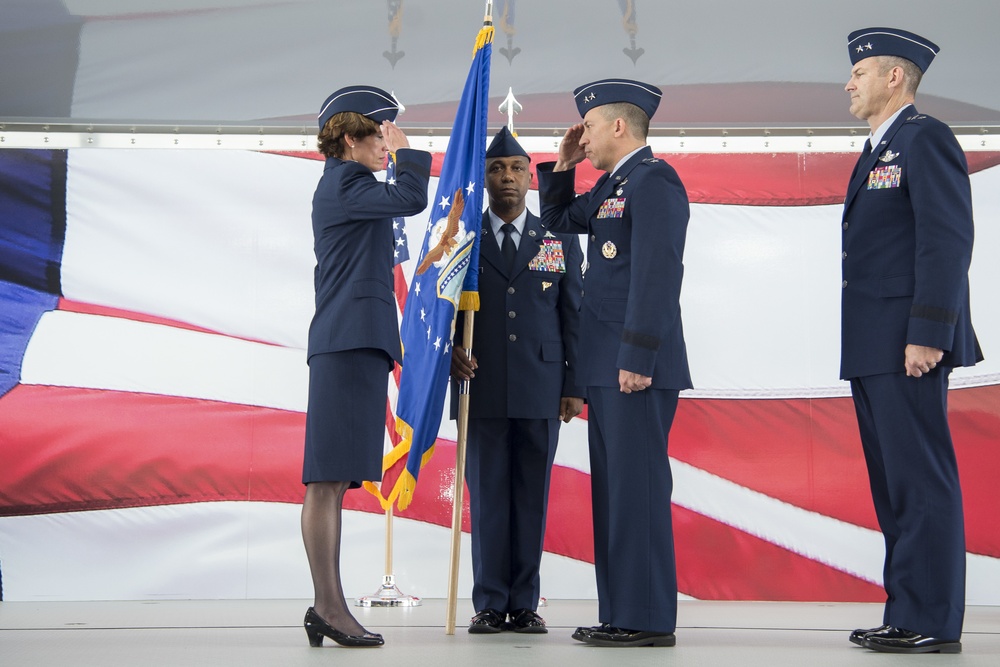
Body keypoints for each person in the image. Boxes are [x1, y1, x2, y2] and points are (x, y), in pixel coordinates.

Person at [840, 28, 982, 654]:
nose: (849, 83)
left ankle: (931, 621)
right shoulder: (877, 150)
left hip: (907, 343)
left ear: (893, 78)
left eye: (860, 72)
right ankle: (906, 611)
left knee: (921, 481)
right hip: (874, 344)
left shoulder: (924, 140)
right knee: (895, 485)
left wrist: (929, 332)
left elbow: (946, 240)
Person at [535, 79, 691, 647]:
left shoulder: (655, 180)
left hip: (634, 365)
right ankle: (623, 610)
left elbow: (657, 273)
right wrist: (563, 164)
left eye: (591, 127)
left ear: (619, 126)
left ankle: (646, 617)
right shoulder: (612, 185)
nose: (585, 136)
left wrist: (639, 355)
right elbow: (556, 226)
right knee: (615, 493)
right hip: (605, 365)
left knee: (638, 490)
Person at [300, 85, 431, 648]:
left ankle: (327, 606)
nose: (387, 143)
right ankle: (328, 607)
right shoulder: (346, 183)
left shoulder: (349, 185)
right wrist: (409, 156)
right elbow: (410, 199)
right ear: (350, 139)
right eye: (379, 133)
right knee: (325, 479)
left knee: (334, 479)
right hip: (345, 342)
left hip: (353, 343)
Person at [450, 127, 584, 635]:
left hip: (541, 385)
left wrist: (575, 385)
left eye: (515, 169)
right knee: (486, 499)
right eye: (495, 169)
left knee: (531, 497)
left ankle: (524, 603)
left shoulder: (557, 237)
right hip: (479, 386)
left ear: (531, 177)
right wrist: (448, 361)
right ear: (483, 179)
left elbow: (574, 314)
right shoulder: (463, 237)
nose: (506, 177)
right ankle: (489, 603)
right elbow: (440, 317)